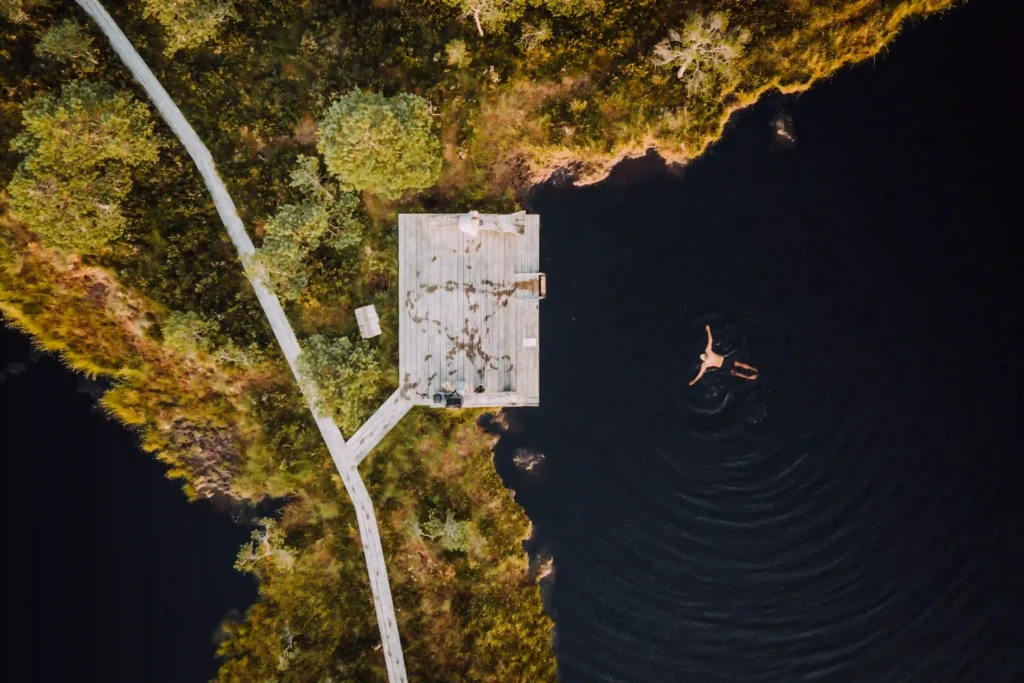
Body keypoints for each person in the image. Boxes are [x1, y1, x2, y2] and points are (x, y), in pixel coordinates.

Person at [689, 325, 759, 385]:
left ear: (705, 354)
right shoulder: (704, 364)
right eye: (704, 358)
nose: (705, 357)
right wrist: (694, 381)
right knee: (736, 373)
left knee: (741, 365)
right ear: (702, 360)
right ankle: (749, 377)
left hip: (726, 361)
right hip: (723, 365)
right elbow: (700, 374)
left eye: (704, 356)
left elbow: (710, 340)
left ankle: (752, 369)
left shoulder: (708, 351)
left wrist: (708, 330)